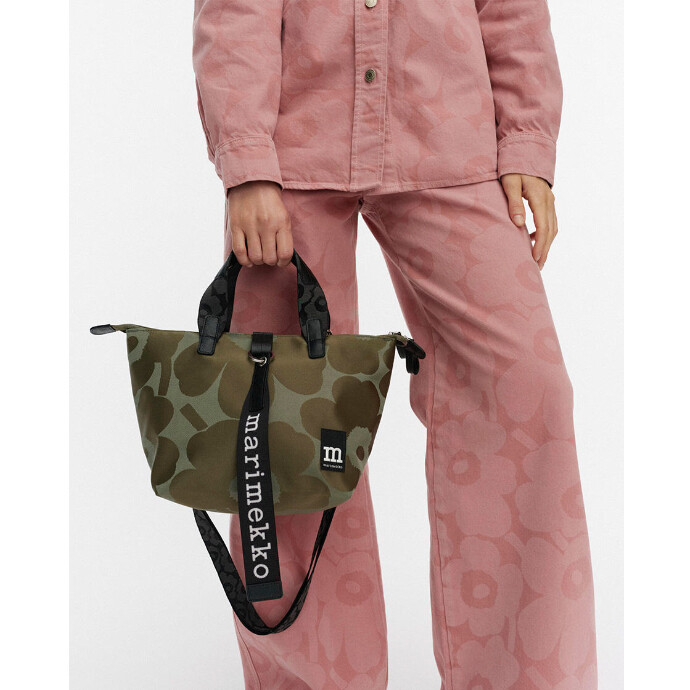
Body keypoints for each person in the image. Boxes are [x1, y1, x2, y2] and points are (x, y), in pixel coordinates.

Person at [192, 0, 598, 687]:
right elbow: (237, 10)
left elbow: (513, 9)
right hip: (293, 149)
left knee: (527, 389)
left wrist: (526, 137)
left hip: (450, 136)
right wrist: (248, 164)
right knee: (289, 425)